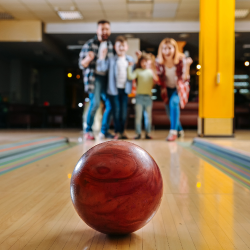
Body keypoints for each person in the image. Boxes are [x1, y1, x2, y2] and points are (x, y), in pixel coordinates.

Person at [79, 20, 114, 140]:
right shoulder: (89, 44)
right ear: (97, 30)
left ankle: (104, 131)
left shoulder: (110, 45)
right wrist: (88, 59)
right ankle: (88, 131)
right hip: (94, 78)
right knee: (95, 104)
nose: (104, 31)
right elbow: (81, 64)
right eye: (102, 29)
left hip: (107, 79)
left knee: (111, 105)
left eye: (107, 29)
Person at [97, 36, 134, 139]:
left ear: (127, 47)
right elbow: (102, 68)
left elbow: (135, 73)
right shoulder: (111, 59)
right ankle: (117, 132)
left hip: (125, 90)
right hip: (113, 90)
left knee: (123, 112)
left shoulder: (130, 60)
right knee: (116, 112)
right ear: (115, 47)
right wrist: (102, 57)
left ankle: (122, 131)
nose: (121, 48)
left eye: (123, 46)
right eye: (119, 46)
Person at [156, 38, 193, 141]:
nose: (167, 51)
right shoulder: (159, 62)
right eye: (164, 48)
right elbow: (158, 80)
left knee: (174, 103)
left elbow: (185, 78)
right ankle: (180, 130)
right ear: (161, 50)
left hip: (179, 88)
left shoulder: (181, 61)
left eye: (169, 48)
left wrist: (188, 66)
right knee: (169, 112)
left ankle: (173, 133)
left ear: (174, 49)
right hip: (166, 89)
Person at [127, 52, 158, 139]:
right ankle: (138, 133)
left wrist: (152, 68)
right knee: (138, 116)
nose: (144, 63)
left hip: (148, 97)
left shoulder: (151, 71)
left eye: (146, 61)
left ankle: (148, 133)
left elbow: (156, 79)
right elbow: (130, 77)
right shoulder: (138, 71)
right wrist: (129, 67)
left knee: (148, 116)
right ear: (140, 62)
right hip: (139, 97)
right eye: (142, 61)